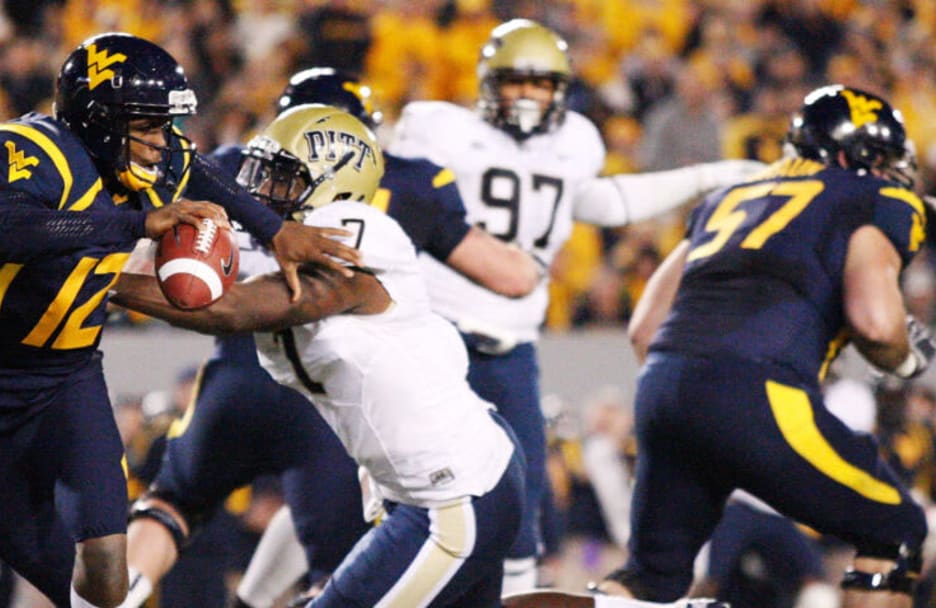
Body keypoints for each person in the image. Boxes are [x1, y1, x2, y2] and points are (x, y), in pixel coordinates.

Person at [0, 33, 360, 608]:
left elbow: (198, 170)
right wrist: (136, 225)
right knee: (57, 577)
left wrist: (276, 232)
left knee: (106, 569)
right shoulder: (26, 148)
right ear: (99, 118)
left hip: (67, 378)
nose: (160, 142)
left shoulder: (155, 156)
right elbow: (3, 232)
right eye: (147, 125)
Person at [118, 66, 543, 608]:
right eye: (261, 172)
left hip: (452, 496)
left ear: (334, 181)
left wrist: (94, 276)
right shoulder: (300, 229)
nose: (260, 191)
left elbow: (237, 308)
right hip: (424, 489)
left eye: (282, 178)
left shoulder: (359, 236)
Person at [387, 18, 765, 591]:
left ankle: (506, 600)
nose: (529, 95)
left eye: (542, 84)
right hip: (436, 333)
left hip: (513, 343)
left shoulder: (573, 145)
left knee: (522, 495)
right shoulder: (437, 129)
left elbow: (602, 200)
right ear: (489, 82)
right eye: (516, 81)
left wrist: (707, 176)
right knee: (413, 487)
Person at [598, 84, 931, 607]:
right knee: (897, 530)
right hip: (756, 390)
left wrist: (702, 406)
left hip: (663, 388)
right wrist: (908, 357)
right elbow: (875, 323)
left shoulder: (728, 199)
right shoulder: (871, 198)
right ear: (853, 158)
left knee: (648, 580)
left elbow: (645, 327)